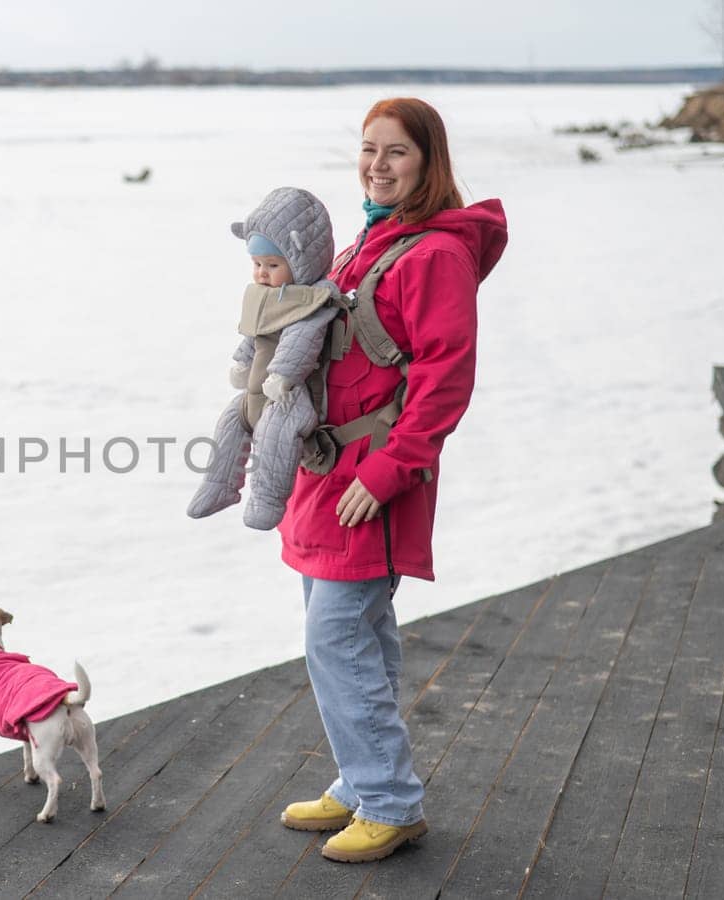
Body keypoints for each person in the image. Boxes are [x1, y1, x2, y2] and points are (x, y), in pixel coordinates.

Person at [276, 97, 508, 863]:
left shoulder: (435, 254)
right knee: (355, 634)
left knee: (336, 638)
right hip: (326, 474)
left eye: (396, 153)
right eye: (369, 150)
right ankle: (359, 779)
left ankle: (392, 801)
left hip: (371, 481)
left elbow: (443, 383)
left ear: (428, 162)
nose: (378, 165)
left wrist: (388, 472)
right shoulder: (373, 239)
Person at [187, 187, 339, 530]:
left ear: (300, 260)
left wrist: (284, 375)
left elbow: (301, 341)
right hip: (256, 392)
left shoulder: (311, 302)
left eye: (272, 265)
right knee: (230, 422)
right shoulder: (267, 298)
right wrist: (242, 362)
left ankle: (267, 500)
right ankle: (219, 485)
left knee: (275, 435)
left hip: (289, 396)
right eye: (256, 265)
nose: (262, 274)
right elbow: (255, 336)